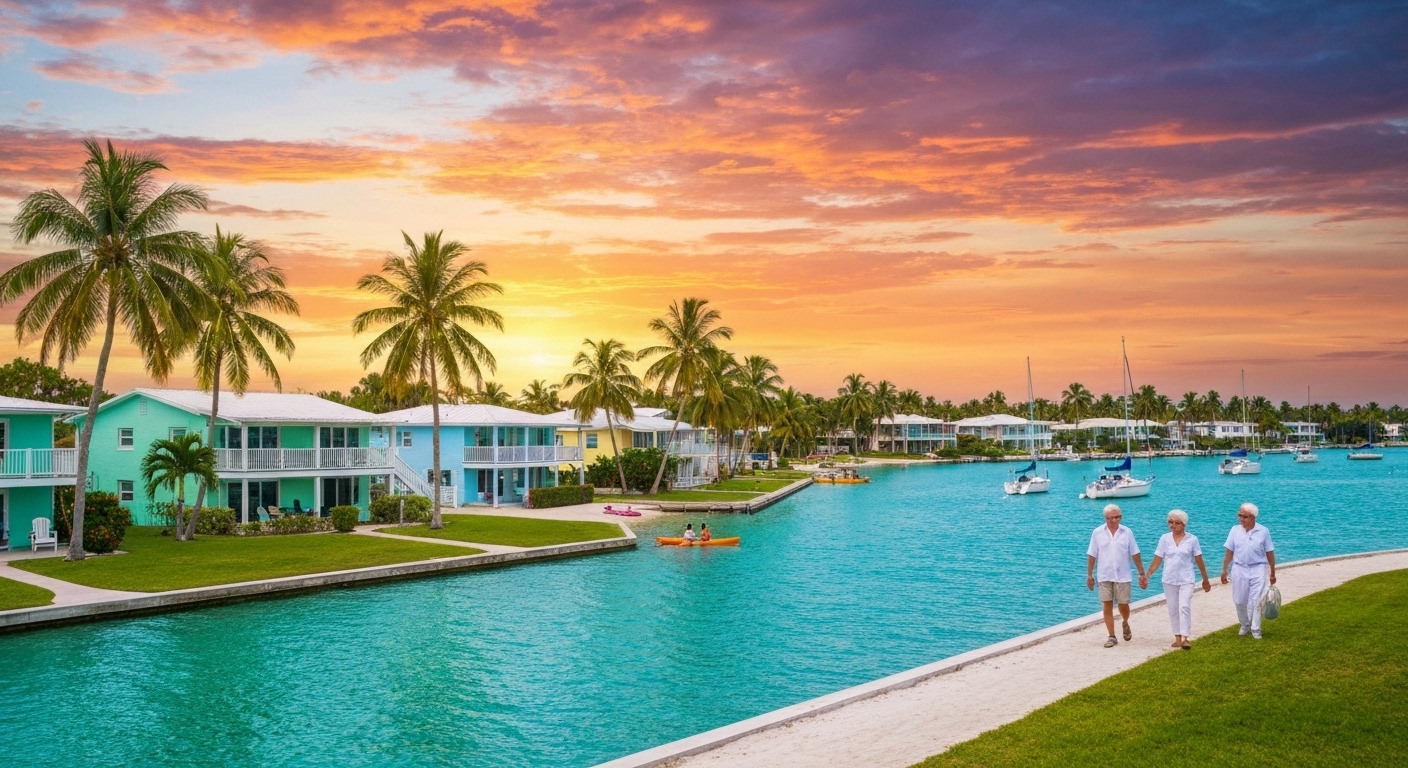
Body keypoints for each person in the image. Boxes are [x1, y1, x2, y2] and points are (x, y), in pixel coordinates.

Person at [1140, 509, 1211, 650]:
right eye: (1170, 522)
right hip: (1169, 579)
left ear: (1183, 524)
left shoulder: (1192, 540)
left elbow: (1199, 561)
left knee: (1184, 606)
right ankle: (1177, 636)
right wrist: (1146, 576)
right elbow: (1157, 560)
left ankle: (1185, 637)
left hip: (1187, 579)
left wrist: (1205, 579)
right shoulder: (1164, 539)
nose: (1173, 525)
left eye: (1176, 523)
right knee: (1173, 608)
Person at [1087, 504, 1145, 648]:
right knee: (1107, 604)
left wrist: (1141, 573)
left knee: (1123, 604)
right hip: (1104, 574)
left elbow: (1135, 553)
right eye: (1110, 518)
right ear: (1105, 518)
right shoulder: (1097, 533)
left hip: (1123, 575)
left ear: (1120, 517)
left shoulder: (1127, 532)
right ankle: (1111, 636)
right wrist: (1089, 574)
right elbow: (1092, 554)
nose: (1114, 520)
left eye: (1117, 517)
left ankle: (1125, 621)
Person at [1220, 502, 1276, 639]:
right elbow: (1229, 551)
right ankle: (1245, 624)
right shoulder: (1235, 530)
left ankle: (1256, 629)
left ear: (1252, 517)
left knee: (1256, 601)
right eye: (1239, 515)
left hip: (1258, 568)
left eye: (1244, 516)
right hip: (1239, 568)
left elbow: (1269, 553)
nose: (1240, 519)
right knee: (1239, 600)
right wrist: (1224, 570)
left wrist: (1272, 572)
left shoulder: (1263, 531)